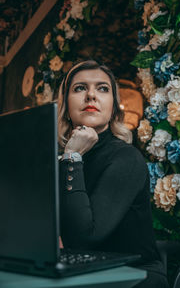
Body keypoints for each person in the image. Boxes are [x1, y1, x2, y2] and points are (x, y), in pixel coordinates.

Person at [58, 60, 169, 288]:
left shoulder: (126, 158)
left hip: (132, 278)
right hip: (80, 274)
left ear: (113, 107)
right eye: (80, 88)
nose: (91, 95)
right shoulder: (62, 160)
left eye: (102, 88)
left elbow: (84, 239)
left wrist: (72, 158)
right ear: (66, 107)